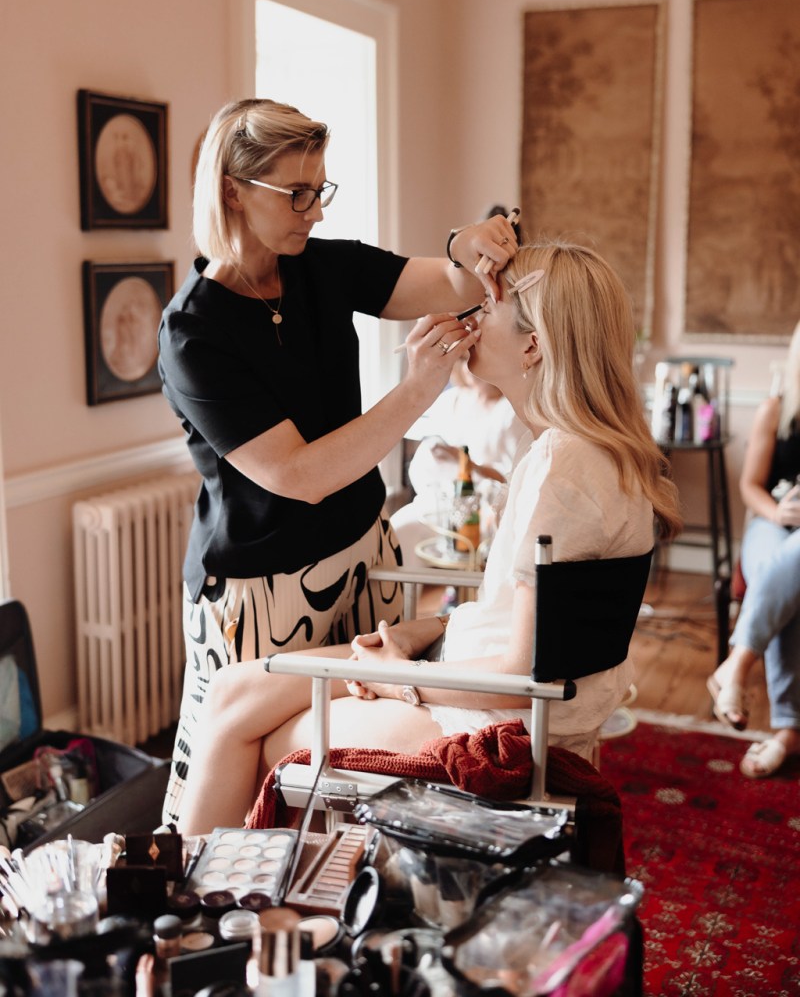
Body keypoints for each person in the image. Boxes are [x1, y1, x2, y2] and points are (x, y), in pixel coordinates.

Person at [175, 240, 682, 835]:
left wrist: (398, 679)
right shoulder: (579, 450)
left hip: (496, 724)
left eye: (485, 309)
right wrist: (428, 630)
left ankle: (202, 894)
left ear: (533, 345)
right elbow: (533, 629)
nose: (468, 317)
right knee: (233, 689)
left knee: (265, 737)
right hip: (475, 676)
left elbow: (527, 678)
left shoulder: (563, 469)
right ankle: (189, 880)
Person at [156, 97, 519, 824]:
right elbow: (302, 476)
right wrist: (416, 391)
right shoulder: (193, 334)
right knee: (254, 786)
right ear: (232, 188)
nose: (313, 210)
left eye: (320, 188)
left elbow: (449, 283)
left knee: (355, 791)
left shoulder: (322, 267)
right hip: (264, 589)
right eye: (295, 193)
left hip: (363, 558)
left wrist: (471, 244)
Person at [706, 318, 800, 778]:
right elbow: (749, 486)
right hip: (772, 521)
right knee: (783, 571)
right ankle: (789, 727)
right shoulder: (776, 410)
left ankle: (735, 666)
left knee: (792, 568)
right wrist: (778, 513)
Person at [389, 357, 528, 562]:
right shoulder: (450, 400)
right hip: (440, 502)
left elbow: (514, 478)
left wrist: (466, 463)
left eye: (475, 361)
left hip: (485, 508)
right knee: (399, 527)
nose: (468, 368)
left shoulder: (511, 411)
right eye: (463, 359)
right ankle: (403, 592)